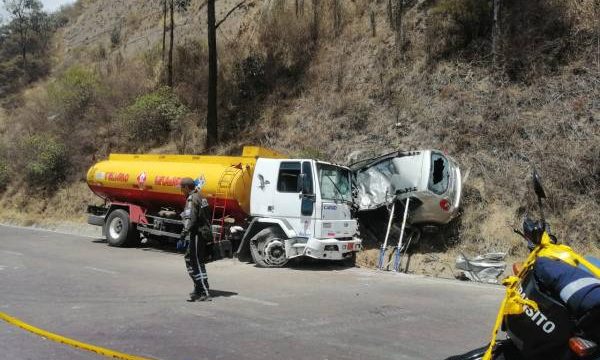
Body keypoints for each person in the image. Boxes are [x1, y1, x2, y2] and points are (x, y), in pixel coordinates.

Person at [179, 177, 212, 302]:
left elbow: (190, 219)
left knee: (197, 262)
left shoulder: (192, 199)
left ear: (187, 187)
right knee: (189, 259)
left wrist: (183, 235)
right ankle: (198, 287)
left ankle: (204, 291)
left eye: (182, 188)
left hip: (198, 234)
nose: (181, 191)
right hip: (203, 233)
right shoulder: (201, 196)